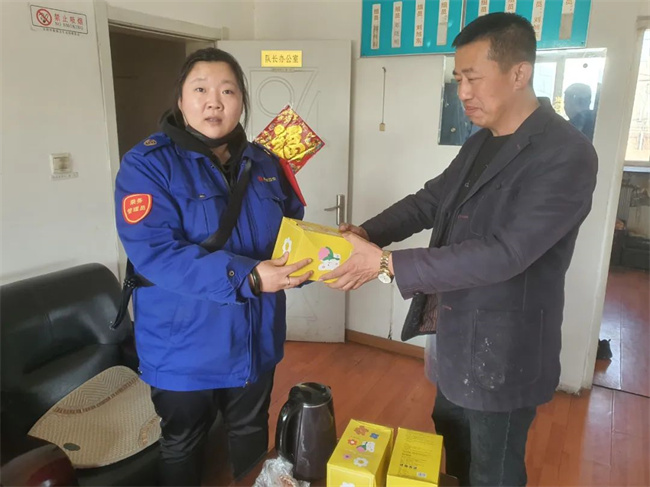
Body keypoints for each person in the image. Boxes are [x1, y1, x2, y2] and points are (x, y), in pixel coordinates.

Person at [321, 13, 598, 487]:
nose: (463, 92)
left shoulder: (566, 153)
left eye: (473, 78)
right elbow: (429, 201)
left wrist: (384, 263)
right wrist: (366, 233)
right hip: (454, 333)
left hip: (503, 350)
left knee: (494, 469)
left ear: (519, 73)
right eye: (458, 79)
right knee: (452, 439)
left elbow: (506, 253)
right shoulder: (481, 141)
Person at [114, 48, 311, 486]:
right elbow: (156, 253)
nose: (214, 102)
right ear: (181, 101)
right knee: (182, 443)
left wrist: (320, 256)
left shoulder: (265, 162)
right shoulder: (147, 165)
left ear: (242, 101)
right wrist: (250, 276)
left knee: (250, 433)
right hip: (183, 344)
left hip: (255, 338)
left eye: (227, 91)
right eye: (200, 90)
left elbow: (291, 229)